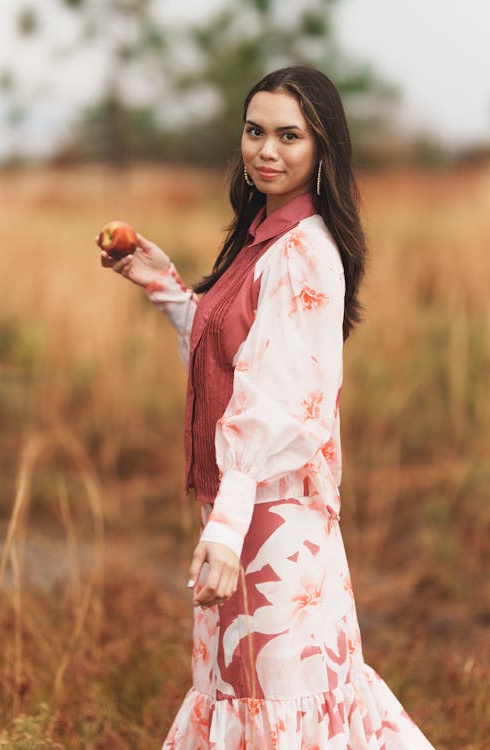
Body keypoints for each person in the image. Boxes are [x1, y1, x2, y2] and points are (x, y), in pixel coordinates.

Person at [100, 66, 435, 749]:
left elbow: (280, 402)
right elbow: (233, 360)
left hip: (273, 523)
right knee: (244, 693)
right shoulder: (264, 241)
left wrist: (226, 531)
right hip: (247, 511)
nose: (266, 151)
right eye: (255, 132)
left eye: (289, 136)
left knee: (279, 701)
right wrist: (165, 286)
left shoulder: (305, 253)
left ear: (323, 151)